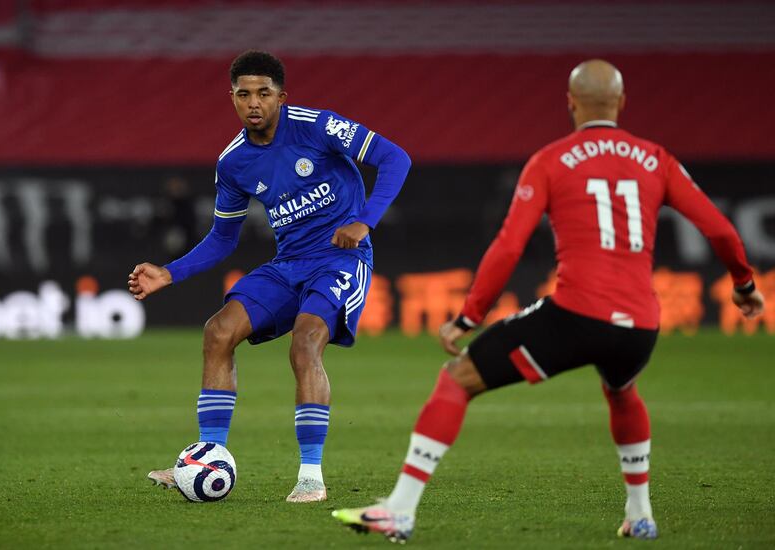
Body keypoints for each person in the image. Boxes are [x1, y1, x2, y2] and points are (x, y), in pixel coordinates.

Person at [332, 59, 764, 542]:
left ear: (570, 103)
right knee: (621, 390)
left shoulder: (552, 160)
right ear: (621, 104)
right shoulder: (655, 159)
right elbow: (720, 230)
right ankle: (640, 513)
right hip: (641, 325)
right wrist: (745, 285)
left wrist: (469, 315)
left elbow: (510, 246)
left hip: (577, 315)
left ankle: (400, 510)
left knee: (457, 380)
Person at [128, 50, 410, 502]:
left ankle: (310, 477)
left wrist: (365, 221)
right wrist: (170, 272)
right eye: (244, 94)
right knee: (218, 332)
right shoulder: (234, 162)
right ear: (232, 98)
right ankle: (208, 456)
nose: (254, 102)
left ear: (282, 96)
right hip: (289, 264)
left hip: (341, 260)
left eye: (264, 93)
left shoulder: (318, 126)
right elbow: (223, 238)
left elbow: (395, 158)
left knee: (305, 341)